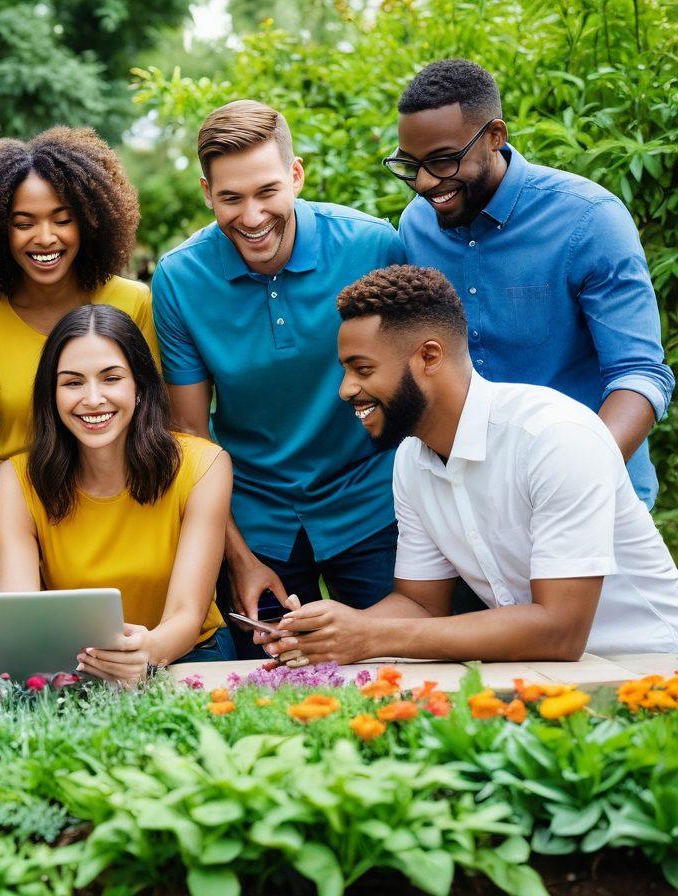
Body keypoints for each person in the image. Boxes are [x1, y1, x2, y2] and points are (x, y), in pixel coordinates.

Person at [259, 265, 678, 666]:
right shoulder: (411, 459)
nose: (346, 389)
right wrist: (328, 631)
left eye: (363, 369)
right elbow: (421, 605)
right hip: (540, 675)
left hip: (649, 668)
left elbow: (560, 631)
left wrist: (369, 636)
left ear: (429, 356)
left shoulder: (555, 437)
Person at [151, 99, 407, 659]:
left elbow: (411, 385)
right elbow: (191, 437)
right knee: (265, 681)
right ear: (206, 193)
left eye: (267, 191)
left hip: (371, 500)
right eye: (231, 198)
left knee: (397, 673)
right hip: (255, 518)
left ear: (296, 176)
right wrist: (238, 558)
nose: (251, 216)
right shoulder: (179, 278)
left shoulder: (372, 246)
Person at [386, 58, 673, 508]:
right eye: (411, 164)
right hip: (474, 501)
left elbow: (639, 374)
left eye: (442, 161)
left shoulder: (589, 219)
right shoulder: (417, 225)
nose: (424, 183)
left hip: (594, 494)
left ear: (495, 137)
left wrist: (576, 477)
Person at [0, 127, 157, 606]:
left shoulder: (132, 302)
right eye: (23, 222)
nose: (45, 237)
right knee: (0, 645)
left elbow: (152, 416)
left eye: (62, 219)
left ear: (90, 221)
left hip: (105, 501)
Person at [0, 305, 233, 683]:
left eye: (111, 378)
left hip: (186, 654)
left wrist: (145, 653)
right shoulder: (16, 482)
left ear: (140, 388)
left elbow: (187, 615)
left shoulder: (204, 466)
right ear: (51, 395)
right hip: (72, 662)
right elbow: (16, 617)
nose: (92, 399)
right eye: (72, 383)